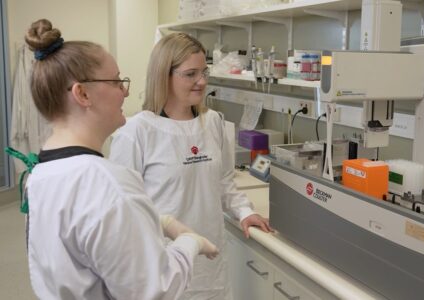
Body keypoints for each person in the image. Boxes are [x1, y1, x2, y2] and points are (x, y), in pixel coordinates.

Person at [15, 19, 219, 299]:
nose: (125, 90)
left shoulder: (42, 174)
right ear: (82, 93)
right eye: (115, 81)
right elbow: (154, 289)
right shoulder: (108, 184)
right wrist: (188, 243)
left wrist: (157, 222)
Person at [109, 33, 272, 299]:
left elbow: (223, 182)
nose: (202, 81)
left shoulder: (214, 122)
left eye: (204, 72)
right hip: (162, 264)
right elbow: (124, 210)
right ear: (164, 75)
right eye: (191, 74)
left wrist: (243, 211)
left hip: (210, 258)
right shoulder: (136, 131)